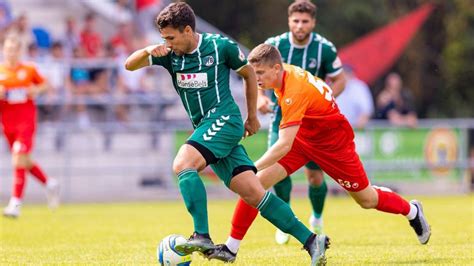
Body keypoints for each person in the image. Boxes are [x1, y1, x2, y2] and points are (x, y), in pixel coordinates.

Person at [124, 3, 329, 265]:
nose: (167, 43)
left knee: (183, 164)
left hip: (225, 119)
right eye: (164, 38)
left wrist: (252, 116)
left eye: (171, 38)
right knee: (254, 193)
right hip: (205, 128)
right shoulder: (167, 54)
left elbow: (248, 74)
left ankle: (201, 234)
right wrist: (147, 51)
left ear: (188, 30)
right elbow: (129, 65)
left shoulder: (220, 47)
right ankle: (313, 241)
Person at [206, 44, 431, 263]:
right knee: (254, 185)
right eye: (254, 74)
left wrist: (251, 166)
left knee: (367, 199)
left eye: (260, 74)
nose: (257, 80)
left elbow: (283, 144)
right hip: (303, 139)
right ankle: (231, 248)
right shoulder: (282, 75)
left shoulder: (294, 89)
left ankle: (412, 211)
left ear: (276, 68)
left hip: (333, 145)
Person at [257, 0, 346, 244]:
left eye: (305, 21)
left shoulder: (324, 48)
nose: (299, 25)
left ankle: (316, 217)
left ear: (313, 23)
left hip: (314, 125)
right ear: (289, 21)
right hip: (281, 120)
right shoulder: (274, 45)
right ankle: (286, 221)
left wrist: (321, 98)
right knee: (278, 174)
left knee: (314, 177)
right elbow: (256, 74)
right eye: (295, 20)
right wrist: (260, 101)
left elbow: (341, 80)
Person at [0, 34, 59, 218]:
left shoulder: (29, 69)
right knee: (24, 161)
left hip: (25, 122)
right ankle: (49, 184)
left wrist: (35, 90)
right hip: (7, 124)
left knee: (18, 159)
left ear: (20, 52)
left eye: (14, 50)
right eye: (8, 50)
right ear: (3, 50)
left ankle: (15, 204)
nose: (11, 53)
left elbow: (45, 85)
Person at [336, 65, 374, 129]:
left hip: (355, 129)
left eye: (346, 73)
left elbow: (366, 111)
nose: (345, 76)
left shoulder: (359, 87)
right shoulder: (333, 86)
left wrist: (357, 128)